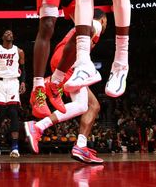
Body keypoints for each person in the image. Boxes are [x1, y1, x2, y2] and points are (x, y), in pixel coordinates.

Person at [24, 10, 107, 164]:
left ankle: (81, 145)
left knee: (93, 105)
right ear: (102, 19)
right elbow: (86, 36)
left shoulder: (83, 24)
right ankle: (38, 126)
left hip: (63, 59)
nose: (106, 25)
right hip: (69, 61)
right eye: (106, 21)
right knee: (82, 106)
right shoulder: (96, 24)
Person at [0, 29, 26, 158]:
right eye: (6, 33)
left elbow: (23, 70)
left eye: (11, 33)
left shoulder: (19, 51)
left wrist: (23, 82)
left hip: (13, 82)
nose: (9, 34)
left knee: (13, 112)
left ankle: (14, 146)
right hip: (0, 82)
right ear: (2, 37)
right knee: (1, 111)